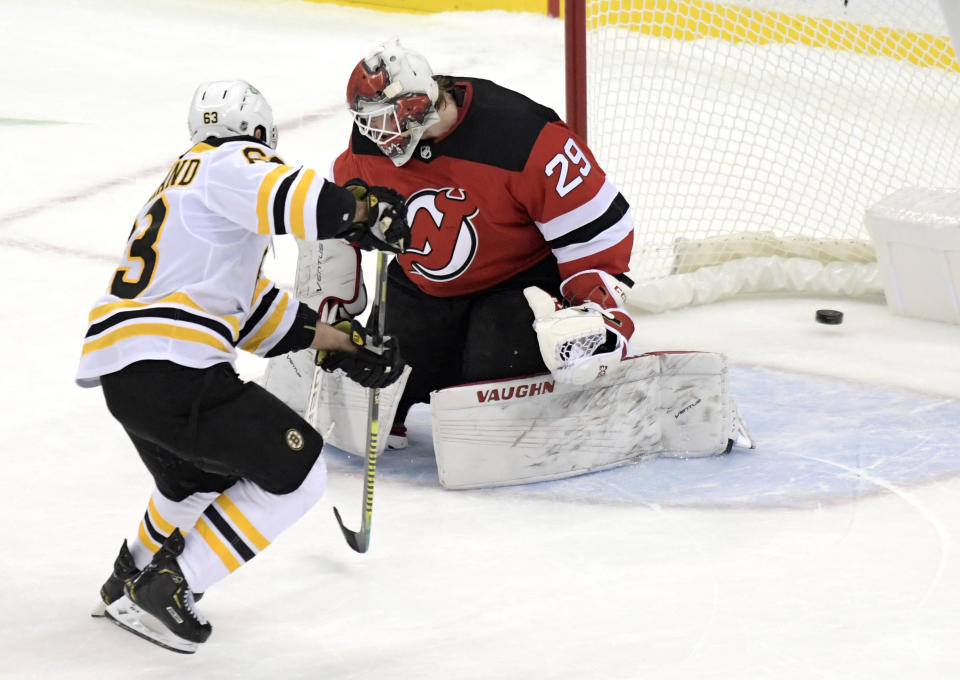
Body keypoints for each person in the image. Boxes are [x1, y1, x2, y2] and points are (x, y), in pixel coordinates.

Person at [76, 79, 407, 653]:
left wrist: (345, 343)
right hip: (177, 366)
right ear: (258, 135)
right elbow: (305, 200)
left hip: (126, 374)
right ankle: (173, 586)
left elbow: (253, 312)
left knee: (193, 484)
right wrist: (363, 209)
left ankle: (129, 574)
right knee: (299, 473)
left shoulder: (184, 191)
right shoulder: (229, 160)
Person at [329, 38, 637, 448]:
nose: (376, 134)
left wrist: (596, 308)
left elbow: (597, 227)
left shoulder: (522, 135)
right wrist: (331, 313)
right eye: (370, 122)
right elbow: (338, 221)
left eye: (385, 120)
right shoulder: (369, 146)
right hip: (423, 287)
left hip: (517, 284)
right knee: (373, 386)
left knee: (490, 390)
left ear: (416, 106)